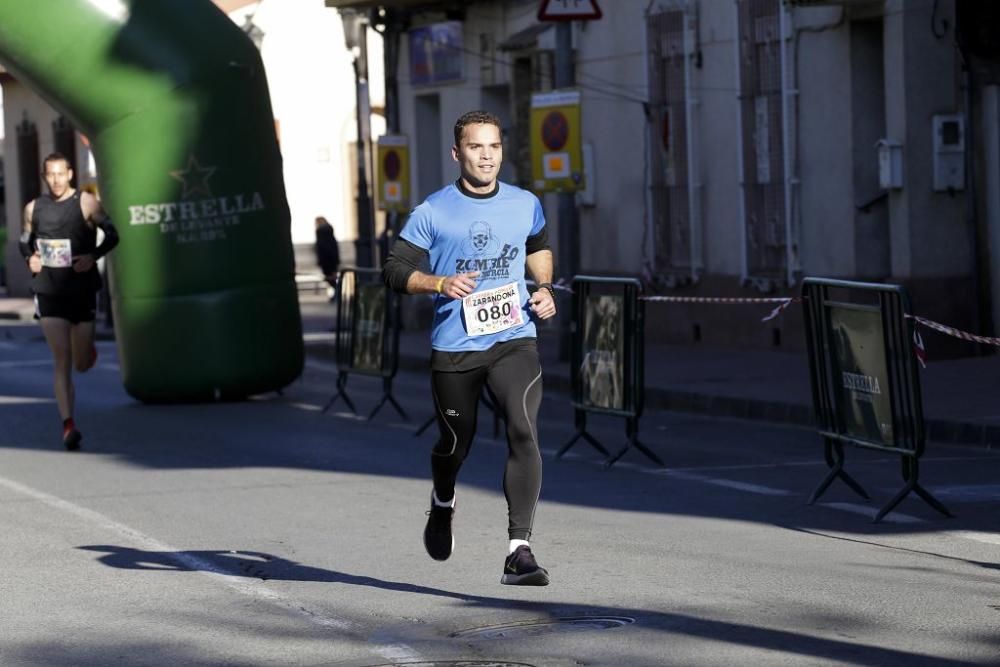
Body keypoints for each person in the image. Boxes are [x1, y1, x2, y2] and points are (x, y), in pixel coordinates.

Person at [383, 110, 558, 586]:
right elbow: (394, 270)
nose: (487, 156)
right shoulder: (433, 211)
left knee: (524, 428)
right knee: (455, 445)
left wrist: (543, 287)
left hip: (513, 337)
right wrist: (438, 282)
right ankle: (443, 501)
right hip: (456, 348)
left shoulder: (524, 203)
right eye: (477, 148)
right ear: (457, 153)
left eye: (494, 147)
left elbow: (538, 245)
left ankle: (518, 550)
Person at [19, 153, 119, 451]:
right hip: (48, 289)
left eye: (61, 174)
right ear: (44, 176)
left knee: (81, 363)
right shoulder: (34, 208)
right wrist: (30, 259)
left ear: (71, 174)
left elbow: (113, 234)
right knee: (61, 360)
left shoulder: (86, 203)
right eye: (50, 174)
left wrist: (93, 257)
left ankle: (87, 352)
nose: (56, 180)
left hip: (81, 289)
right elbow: (25, 240)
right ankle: (68, 425)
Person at [314, 216, 340, 299]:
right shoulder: (329, 231)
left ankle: (337, 291)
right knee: (332, 276)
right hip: (333, 257)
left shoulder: (319, 232)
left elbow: (320, 246)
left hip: (325, 258)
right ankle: (337, 291)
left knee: (328, 276)